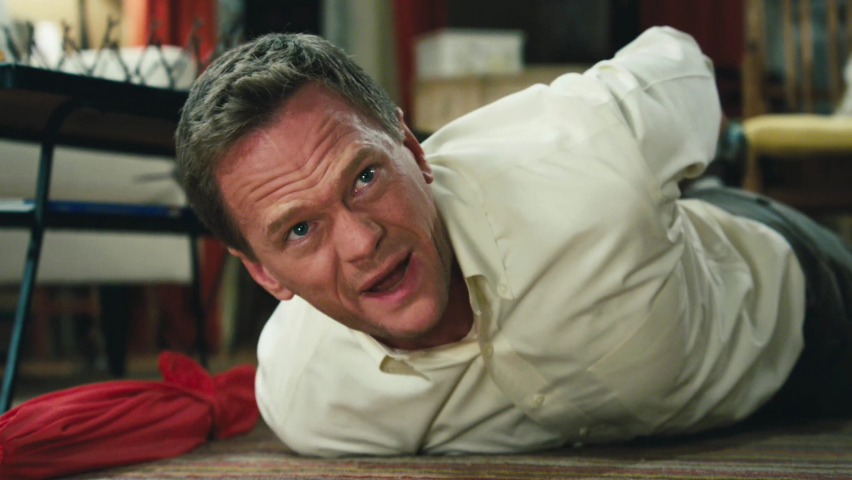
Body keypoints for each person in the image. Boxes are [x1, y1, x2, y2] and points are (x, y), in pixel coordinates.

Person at [175, 27, 852, 456]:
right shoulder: (307, 400)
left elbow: (680, 64)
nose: (361, 242)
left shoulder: (585, 142)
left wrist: (671, 151)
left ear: (413, 148)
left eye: (365, 176)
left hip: (787, 306)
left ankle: (704, 169)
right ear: (265, 274)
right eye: (299, 229)